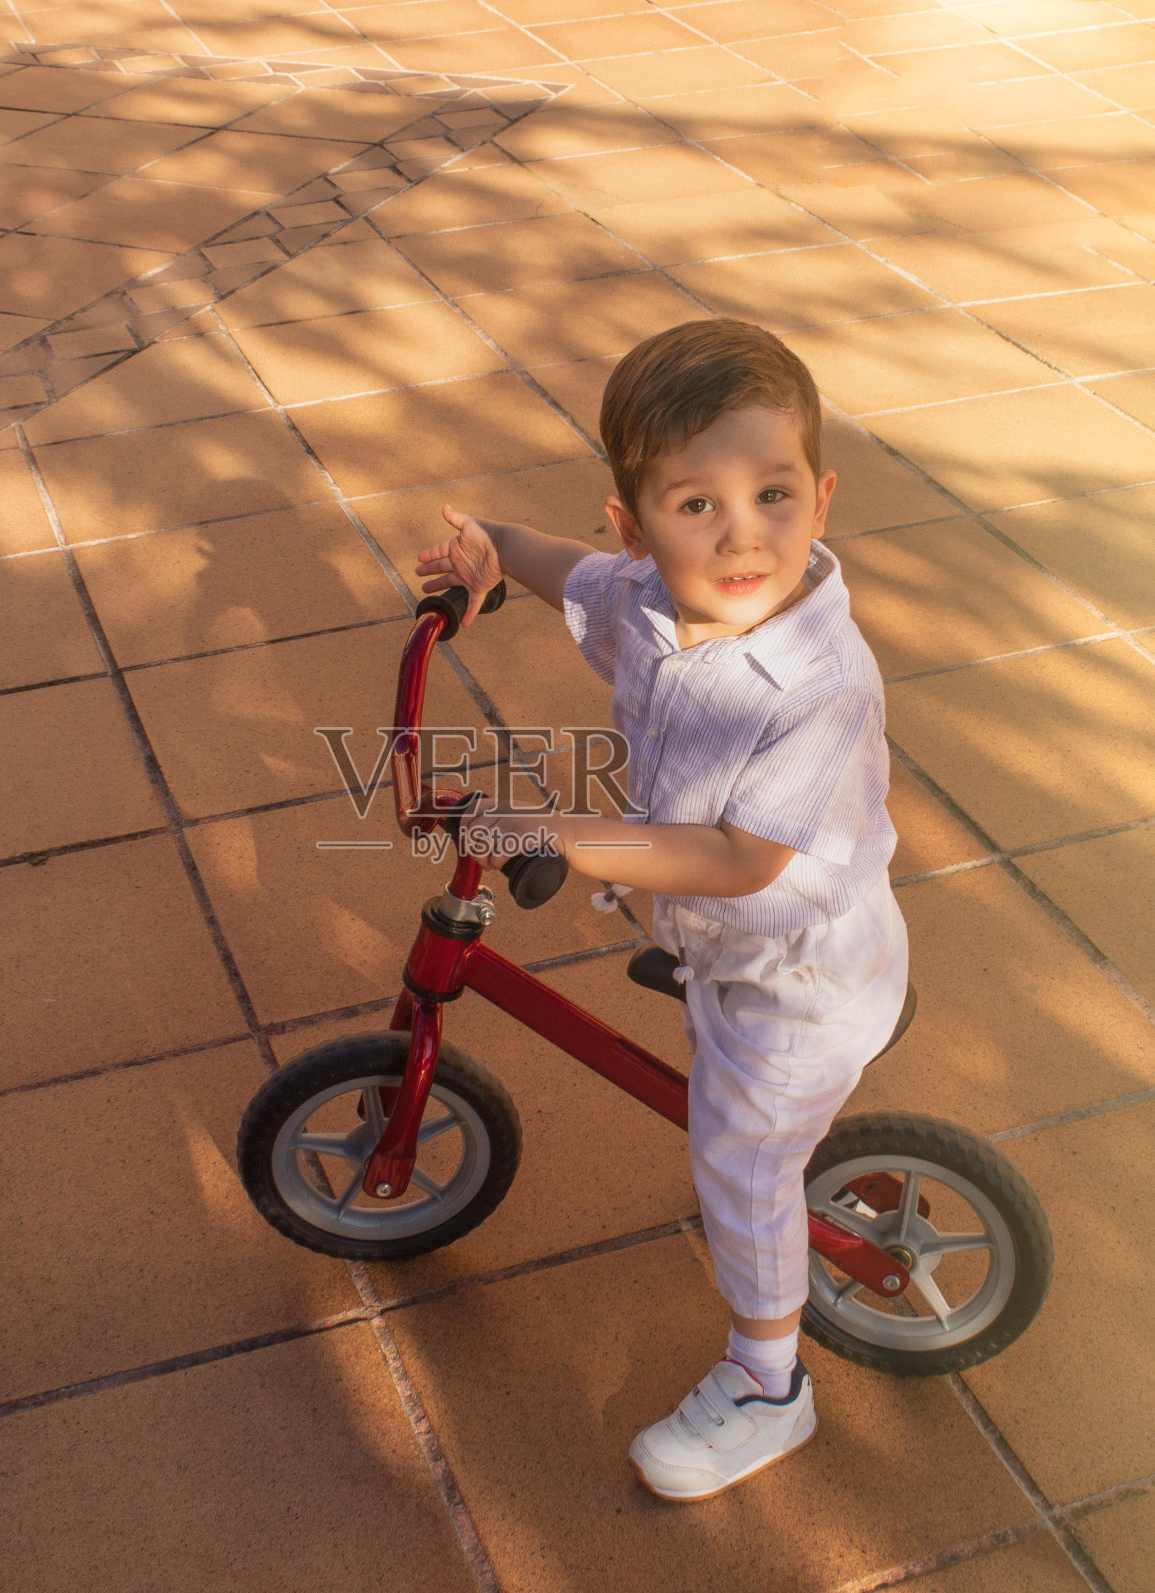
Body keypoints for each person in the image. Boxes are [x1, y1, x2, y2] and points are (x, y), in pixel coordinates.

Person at [414, 318, 908, 1502]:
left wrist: (559, 835)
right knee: (724, 1100)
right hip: (721, 942)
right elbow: (562, 572)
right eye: (697, 506)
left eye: (774, 494)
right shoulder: (647, 597)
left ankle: (768, 1384)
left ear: (822, 497)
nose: (743, 535)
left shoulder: (817, 686)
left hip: (796, 976)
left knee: (739, 1164)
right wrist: (490, 547)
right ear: (634, 526)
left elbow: (739, 857)